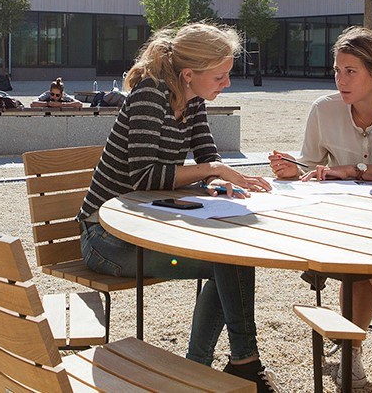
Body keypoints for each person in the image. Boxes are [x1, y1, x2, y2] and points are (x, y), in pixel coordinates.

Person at [77, 23, 279, 392]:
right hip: (105, 237)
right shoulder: (148, 96)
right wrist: (214, 171)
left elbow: (206, 154)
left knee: (233, 258)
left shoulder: (194, 99)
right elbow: (144, 177)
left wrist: (222, 179)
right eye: (220, 76)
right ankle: (223, 366)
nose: (227, 84)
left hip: (144, 227)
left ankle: (220, 366)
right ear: (189, 75)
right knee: (230, 264)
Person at [268, 26, 372, 389]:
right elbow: (308, 166)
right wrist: (290, 170)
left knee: (371, 255)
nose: (340, 80)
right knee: (370, 252)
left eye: (350, 71)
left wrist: (359, 171)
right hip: (347, 225)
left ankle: (356, 350)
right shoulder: (324, 110)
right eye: (336, 71)